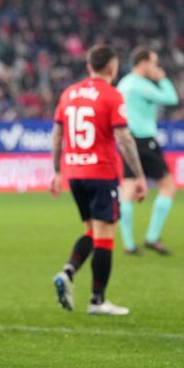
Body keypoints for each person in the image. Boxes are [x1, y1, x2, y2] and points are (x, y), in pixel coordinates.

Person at [50, 44, 147, 316]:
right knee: (105, 237)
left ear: (89, 66)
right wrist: (138, 175)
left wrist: (57, 171)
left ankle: (68, 272)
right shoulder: (112, 95)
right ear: (112, 68)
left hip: (75, 173)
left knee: (92, 232)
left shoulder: (69, 93)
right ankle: (97, 300)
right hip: (102, 173)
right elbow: (124, 138)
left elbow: (57, 135)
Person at [116, 47, 179, 255]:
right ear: (142, 62)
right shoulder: (140, 85)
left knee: (127, 189)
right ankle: (152, 237)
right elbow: (171, 99)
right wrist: (162, 78)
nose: (155, 67)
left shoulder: (124, 83)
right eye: (153, 63)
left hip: (128, 141)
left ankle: (128, 244)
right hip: (144, 140)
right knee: (168, 186)